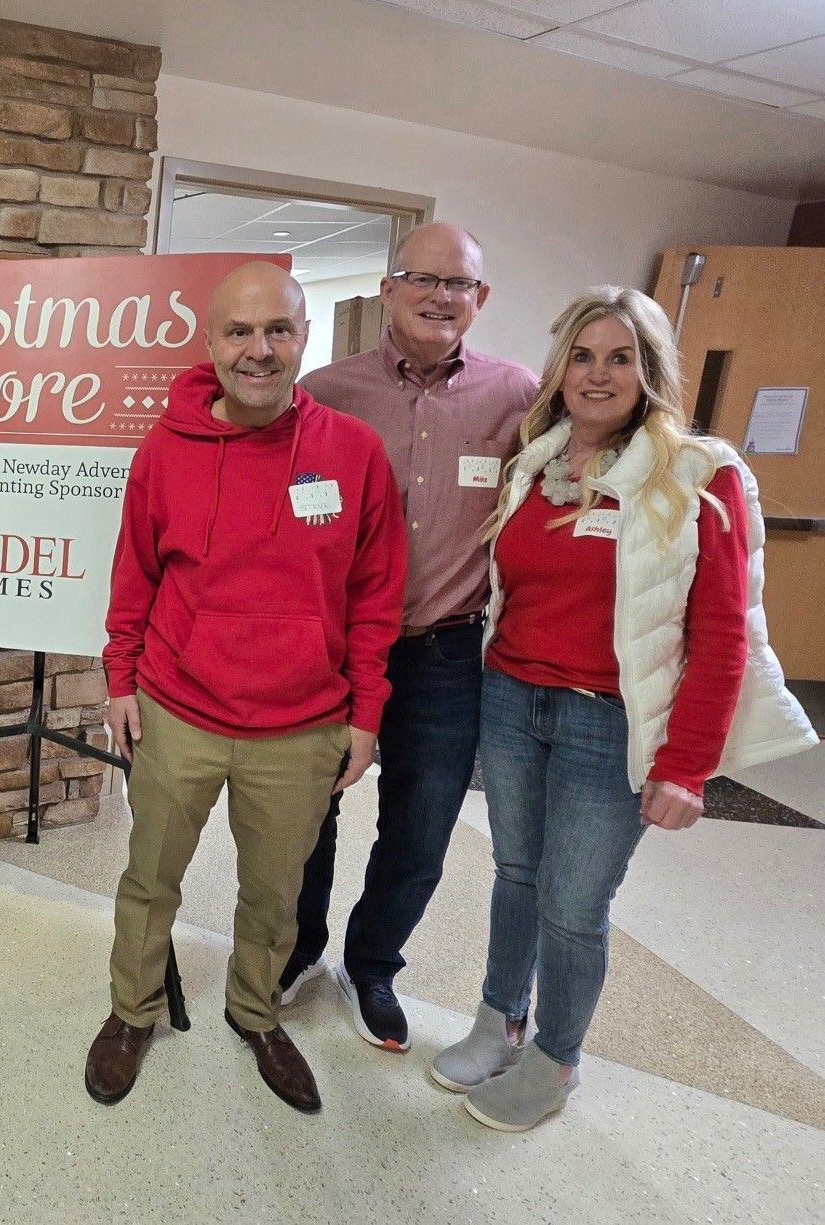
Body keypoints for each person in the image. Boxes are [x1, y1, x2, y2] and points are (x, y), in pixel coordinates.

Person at [432, 286, 815, 1131]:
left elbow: (724, 634)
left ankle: (556, 1058)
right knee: (514, 876)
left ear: (649, 371)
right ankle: (500, 1020)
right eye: (581, 355)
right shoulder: (537, 460)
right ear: (558, 369)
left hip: (607, 723)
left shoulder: (696, 471)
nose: (597, 374)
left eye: (620, 357)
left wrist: (686, 765)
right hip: (511, 698)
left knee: (573, 903)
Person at [88, 262, 407, 1114]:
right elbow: (135, 573)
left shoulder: (352, 452)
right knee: (150, 876)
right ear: (210, 341)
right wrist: (120, 674)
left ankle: (256, 1011)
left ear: (304, 338)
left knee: (276, 891)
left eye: (278, 331)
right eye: (239, 331)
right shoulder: (165, 448)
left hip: (302, 724)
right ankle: (131, 1011)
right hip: (175, 709)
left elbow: (376, 594)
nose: (258, 350)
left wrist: (366, 712)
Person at [282, 223, 540, 1053]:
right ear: (387, 289)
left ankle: (371, 963)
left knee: (421, 828)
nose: (439, 296)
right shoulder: (323, 393)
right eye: (419, 278)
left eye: (457, 283)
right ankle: (298, 950)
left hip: (444, 655)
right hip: (329, 649)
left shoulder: (518, 398)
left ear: (480, 298)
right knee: (303, 814)